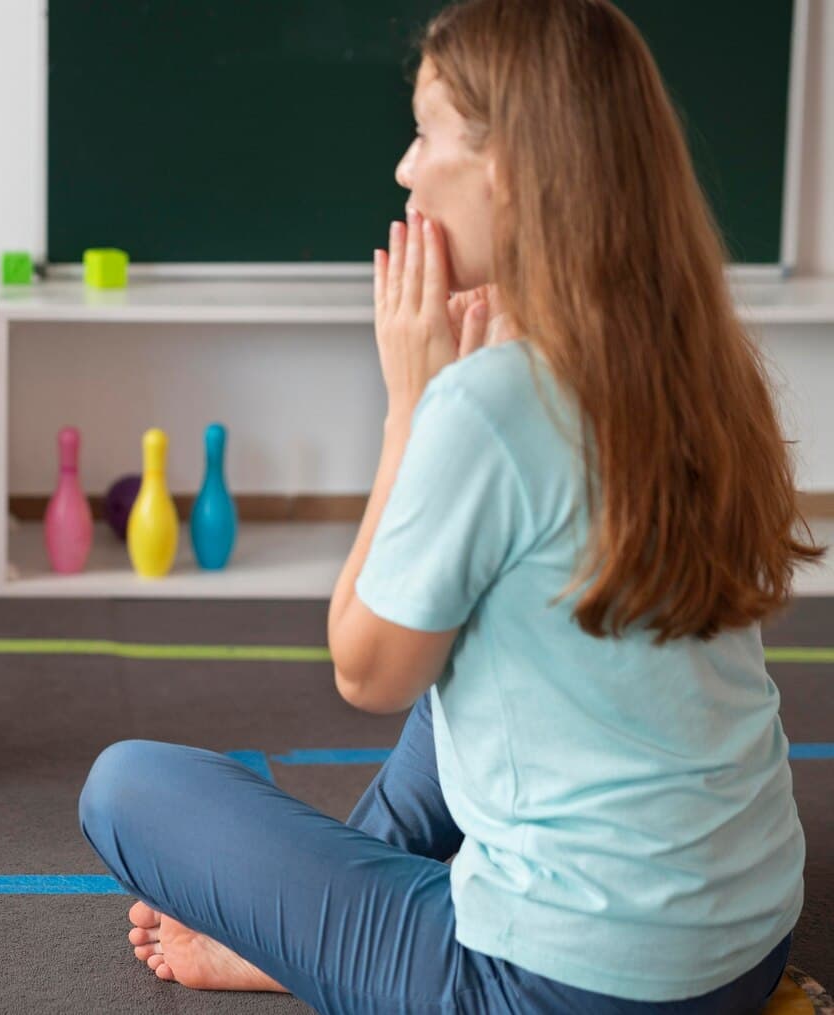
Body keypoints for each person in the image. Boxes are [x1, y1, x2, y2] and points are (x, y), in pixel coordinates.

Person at [78, 1, 822, 1010]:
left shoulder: (487, 402)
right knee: (455, 668)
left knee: (127, 786)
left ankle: (310, 943)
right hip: (747, 949)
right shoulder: (695, 362)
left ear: (506, 168)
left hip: (556, 989)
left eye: (425, 133)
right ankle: (322, 938)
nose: (404, 168)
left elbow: (365, 671)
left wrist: (409, 408)